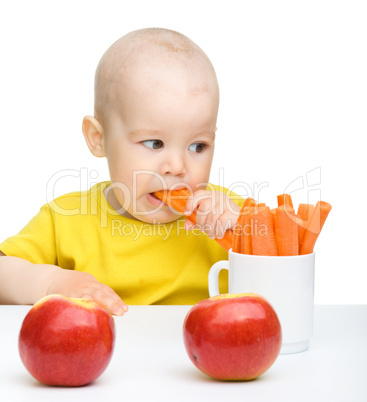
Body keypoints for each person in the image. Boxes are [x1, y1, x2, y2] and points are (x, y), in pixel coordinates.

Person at [0, 28, 243, 315]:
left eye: (198, 146)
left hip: (203, 356)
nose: (178, 167)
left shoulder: (226, 216)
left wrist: (244, 238)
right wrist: (50, 281)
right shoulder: (67, 219)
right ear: (98, 138)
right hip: (99, 356)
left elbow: (284, 279)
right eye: (155, 143)